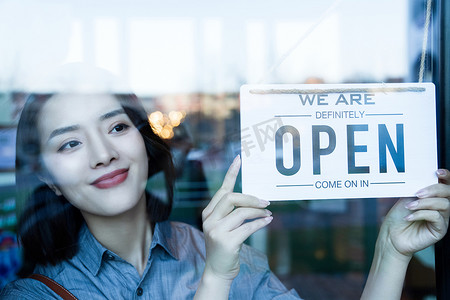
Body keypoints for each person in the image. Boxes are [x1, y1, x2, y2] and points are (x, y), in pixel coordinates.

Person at [1, 83, 449, 299]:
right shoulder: (32, 295)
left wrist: (392, 251)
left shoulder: (230, 256)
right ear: (48, 179)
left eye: (116, 126)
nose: (102, 153)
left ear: (144, 142)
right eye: (71, 143)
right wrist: (215, 279)